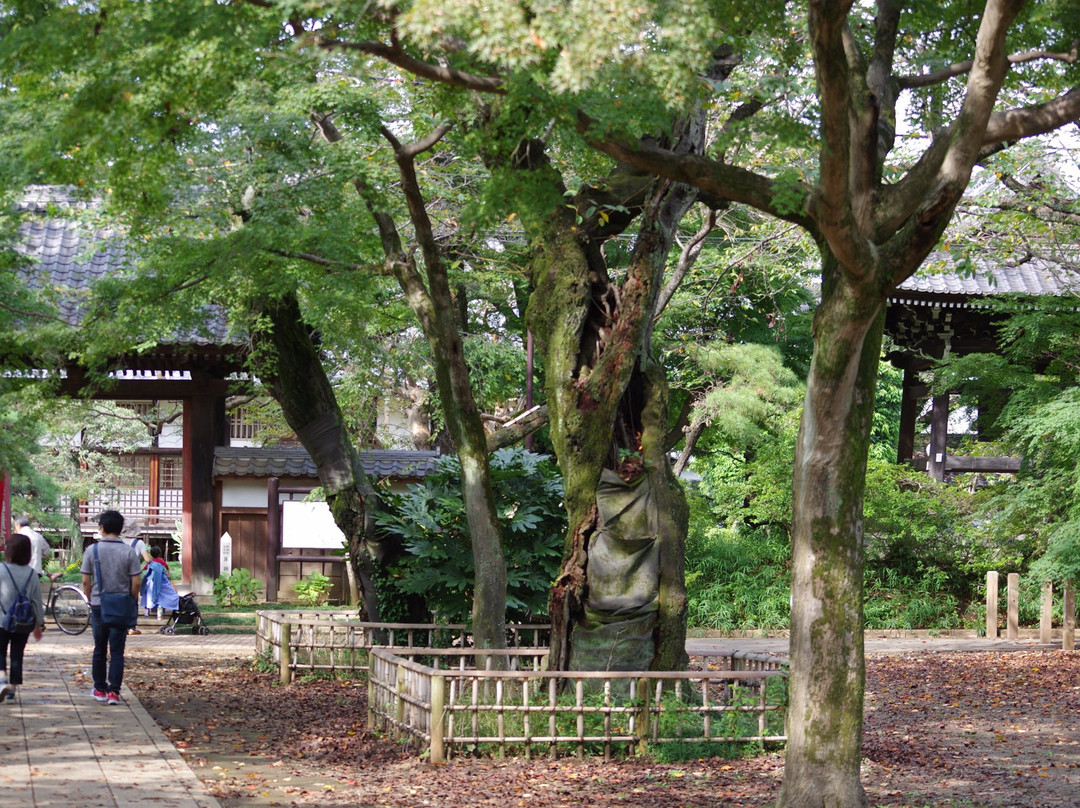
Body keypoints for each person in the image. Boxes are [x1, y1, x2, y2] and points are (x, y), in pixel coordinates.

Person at [81, 510, 140, 706]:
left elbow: (85, 581)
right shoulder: (129, 551)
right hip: (121, 605)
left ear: (103, 528)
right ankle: (114, 692)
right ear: (120, 529)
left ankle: (99, 688)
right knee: (117, 651)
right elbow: (136, 583)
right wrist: (130, 600)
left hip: (99, 605)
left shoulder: (92, 550)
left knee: (99, 649)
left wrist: (90, 599)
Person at [0, 534, 45, 702]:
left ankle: (2, 679)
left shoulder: (1, 569)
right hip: (23, 621)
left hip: (1, 620)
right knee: (17, 653)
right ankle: (12, 688)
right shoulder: (32, 574)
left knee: (0, 651)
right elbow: (36, 601)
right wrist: (39, 625)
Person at [120, 520, 151, 635]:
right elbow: (147, 559)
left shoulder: (120, 542)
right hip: (133, 574)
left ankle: (122, 626)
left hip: (121, 574)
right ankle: (131, 627)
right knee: (133, 600)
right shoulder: (139, 543)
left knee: (122, 600)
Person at [140, 546, 179, 620]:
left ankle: (146, 612)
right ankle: (159, 615)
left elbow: (145, 568)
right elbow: (167, 567)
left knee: (148, 596)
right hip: (160, 582)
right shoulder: (161, 560)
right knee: (161, 596)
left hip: (151, 581)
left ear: (151, 554)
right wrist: (168, 573)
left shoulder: (150, 562)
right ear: (159, 554)